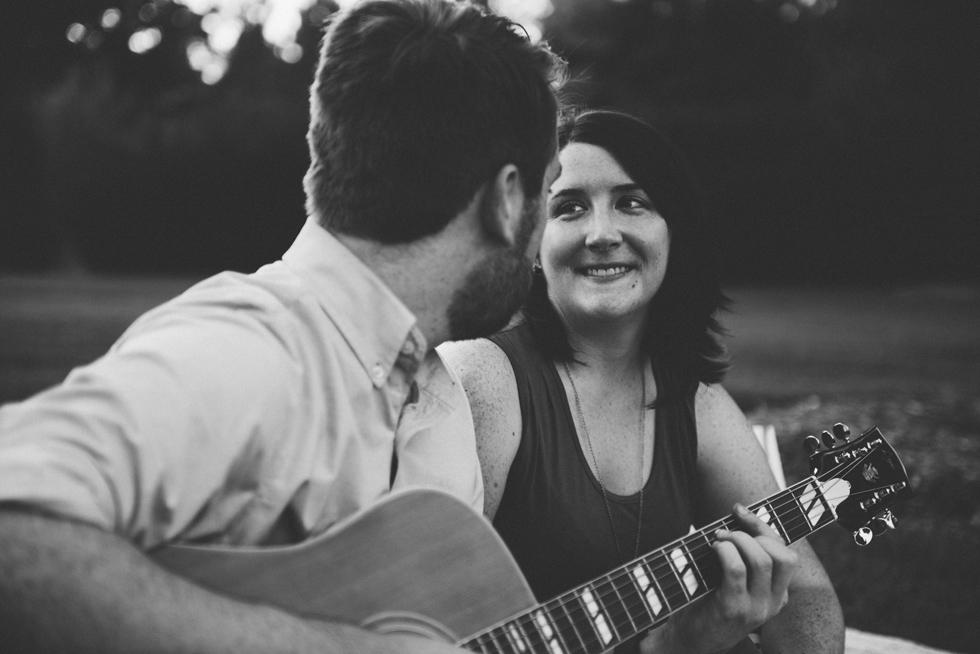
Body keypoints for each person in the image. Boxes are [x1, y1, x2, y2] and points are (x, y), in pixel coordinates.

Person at [0, 1, 565, 652]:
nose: (547, 233)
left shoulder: (444, 405)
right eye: (550, 193)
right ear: (505, 197)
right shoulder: (248, 353)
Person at [439, 110, 846, 654]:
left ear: (673, 232)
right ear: (533, 243)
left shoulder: (696, 402)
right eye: (569, 207)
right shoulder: (485, 380)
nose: (602, 233)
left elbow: (808, 590)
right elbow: (429, 630)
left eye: (633, 203)